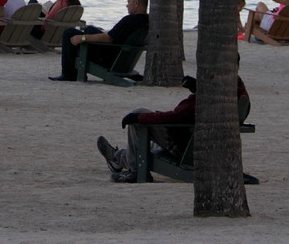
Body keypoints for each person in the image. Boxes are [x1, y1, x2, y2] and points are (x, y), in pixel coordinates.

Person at [95, 74, 255, 183]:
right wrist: (199, 88)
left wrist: (139, 118)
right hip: (201, 146)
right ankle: (117, 158)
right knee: (149, 147)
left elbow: (173, 117)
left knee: (139, 114)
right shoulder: (237, 93)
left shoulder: (207, 101)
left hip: (185, 148)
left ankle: (134, 171)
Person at [49, 0, 148, 81]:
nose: (127, 5)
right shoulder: (147, 20)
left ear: (136, 4)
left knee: (69, 33)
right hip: (122, 59)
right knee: (90, 29)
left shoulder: (129, 20)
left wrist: (83, 38)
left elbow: (108, 38)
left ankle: (69, 75)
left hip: (110, 59)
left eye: (129, 2)